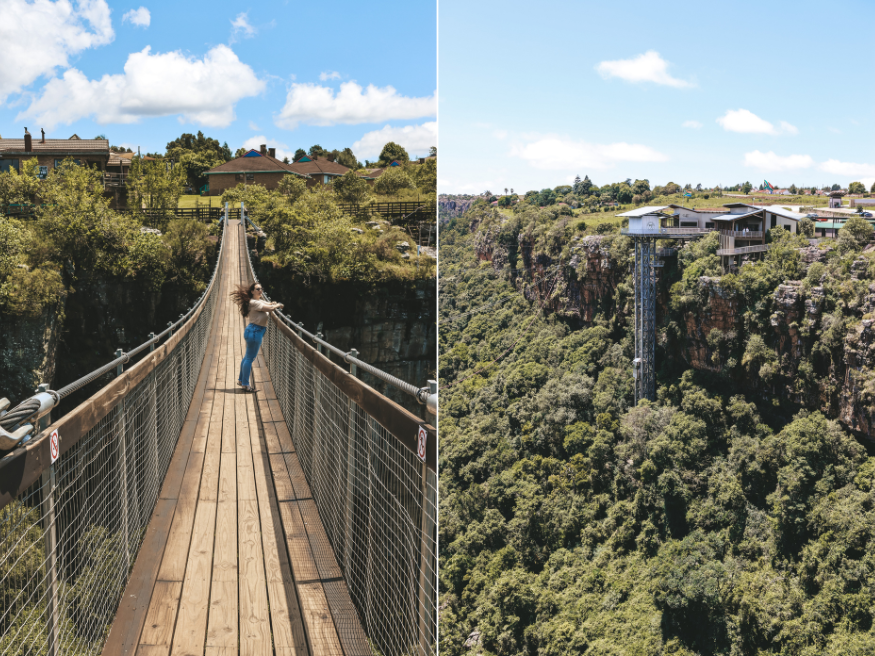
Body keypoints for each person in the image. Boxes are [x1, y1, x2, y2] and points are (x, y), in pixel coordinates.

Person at [230, 282, 283, 392]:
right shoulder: (254, 302)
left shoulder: (258, 301)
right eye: (257, 289)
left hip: (254, 331)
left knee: (247, 357)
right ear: (252, 291)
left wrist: (272, 303)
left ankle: (241, 380)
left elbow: (268, 304)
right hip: (255, 332)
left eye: (261, 288)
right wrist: (277, 305)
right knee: (249, 359)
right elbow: (270, 309)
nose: (260, 290)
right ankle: (245, 384)